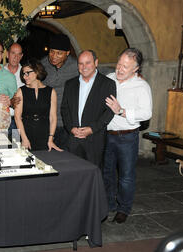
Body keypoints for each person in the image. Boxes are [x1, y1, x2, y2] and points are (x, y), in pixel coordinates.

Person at [103, 48, 152, 224]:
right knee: (107, 173)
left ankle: (124, 208)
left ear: (135, 68)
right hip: (107, 135)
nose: (119, 69)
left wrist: (121, 111)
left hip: (127, 137)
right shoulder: (109, 79)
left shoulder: (142, 86)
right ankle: (109, 204)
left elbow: (146, 113)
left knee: (126, 176)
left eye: (125, 66)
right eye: (118, 64)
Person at [61, 50, 116, 168]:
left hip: (94, 140)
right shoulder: (70, 84)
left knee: (92, 177)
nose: (84, 67)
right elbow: (64, 109)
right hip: (73, 139)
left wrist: (92, 129)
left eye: (88, 63)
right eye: (80, 63)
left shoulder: (108, 84)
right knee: (73, 174)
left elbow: (109, 112)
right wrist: (71, 128)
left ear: (96, 62)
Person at [13, 59, 62, 151]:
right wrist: (24, 139)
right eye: (23, 74)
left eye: (27, 73)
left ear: (37, 71)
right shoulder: (21, 91)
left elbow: (53, 117)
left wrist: (50, 139)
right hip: (26, 132)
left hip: (44, 132)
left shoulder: (51, 91)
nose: (25, 76)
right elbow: (17, 117)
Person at [41, 34, 79, 149]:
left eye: (59, 53)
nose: (54, 56)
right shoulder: (42, 65)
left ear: (67, 53)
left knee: (65, 158)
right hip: (46, 122)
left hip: (66, 123)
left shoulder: (76, 66)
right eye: (52, 51)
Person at [4, 43, 24, 138]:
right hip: (2, 120)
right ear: (7, 54)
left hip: (19, 121)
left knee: (16, 148)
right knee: (2, 149)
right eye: (13, 53)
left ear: (21, 56)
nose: (16, 57)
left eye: (19, 54)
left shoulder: (26, 74)